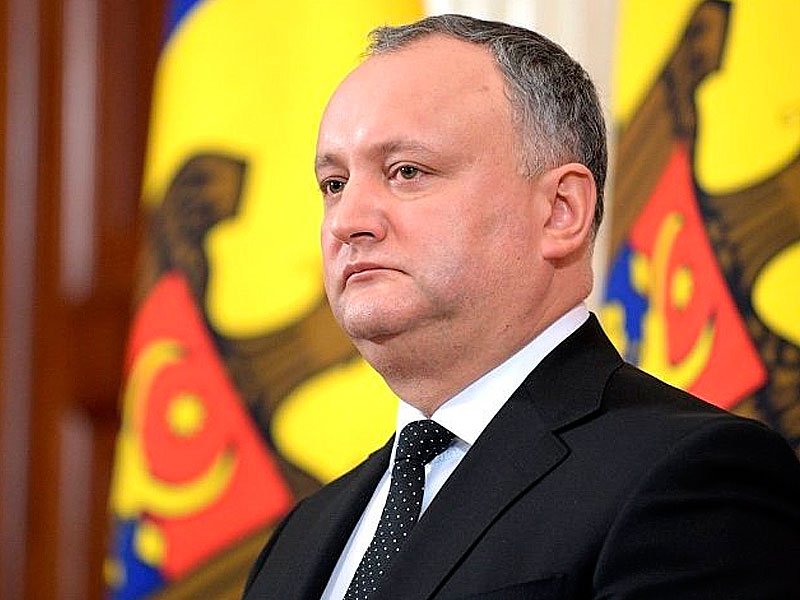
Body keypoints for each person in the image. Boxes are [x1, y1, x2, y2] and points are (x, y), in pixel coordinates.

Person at [242, 14, 800, 600]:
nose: (348, 221)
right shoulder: (300, 536)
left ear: (561, 211)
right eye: (334, 184)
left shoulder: (694, 477)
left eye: (407, 172)